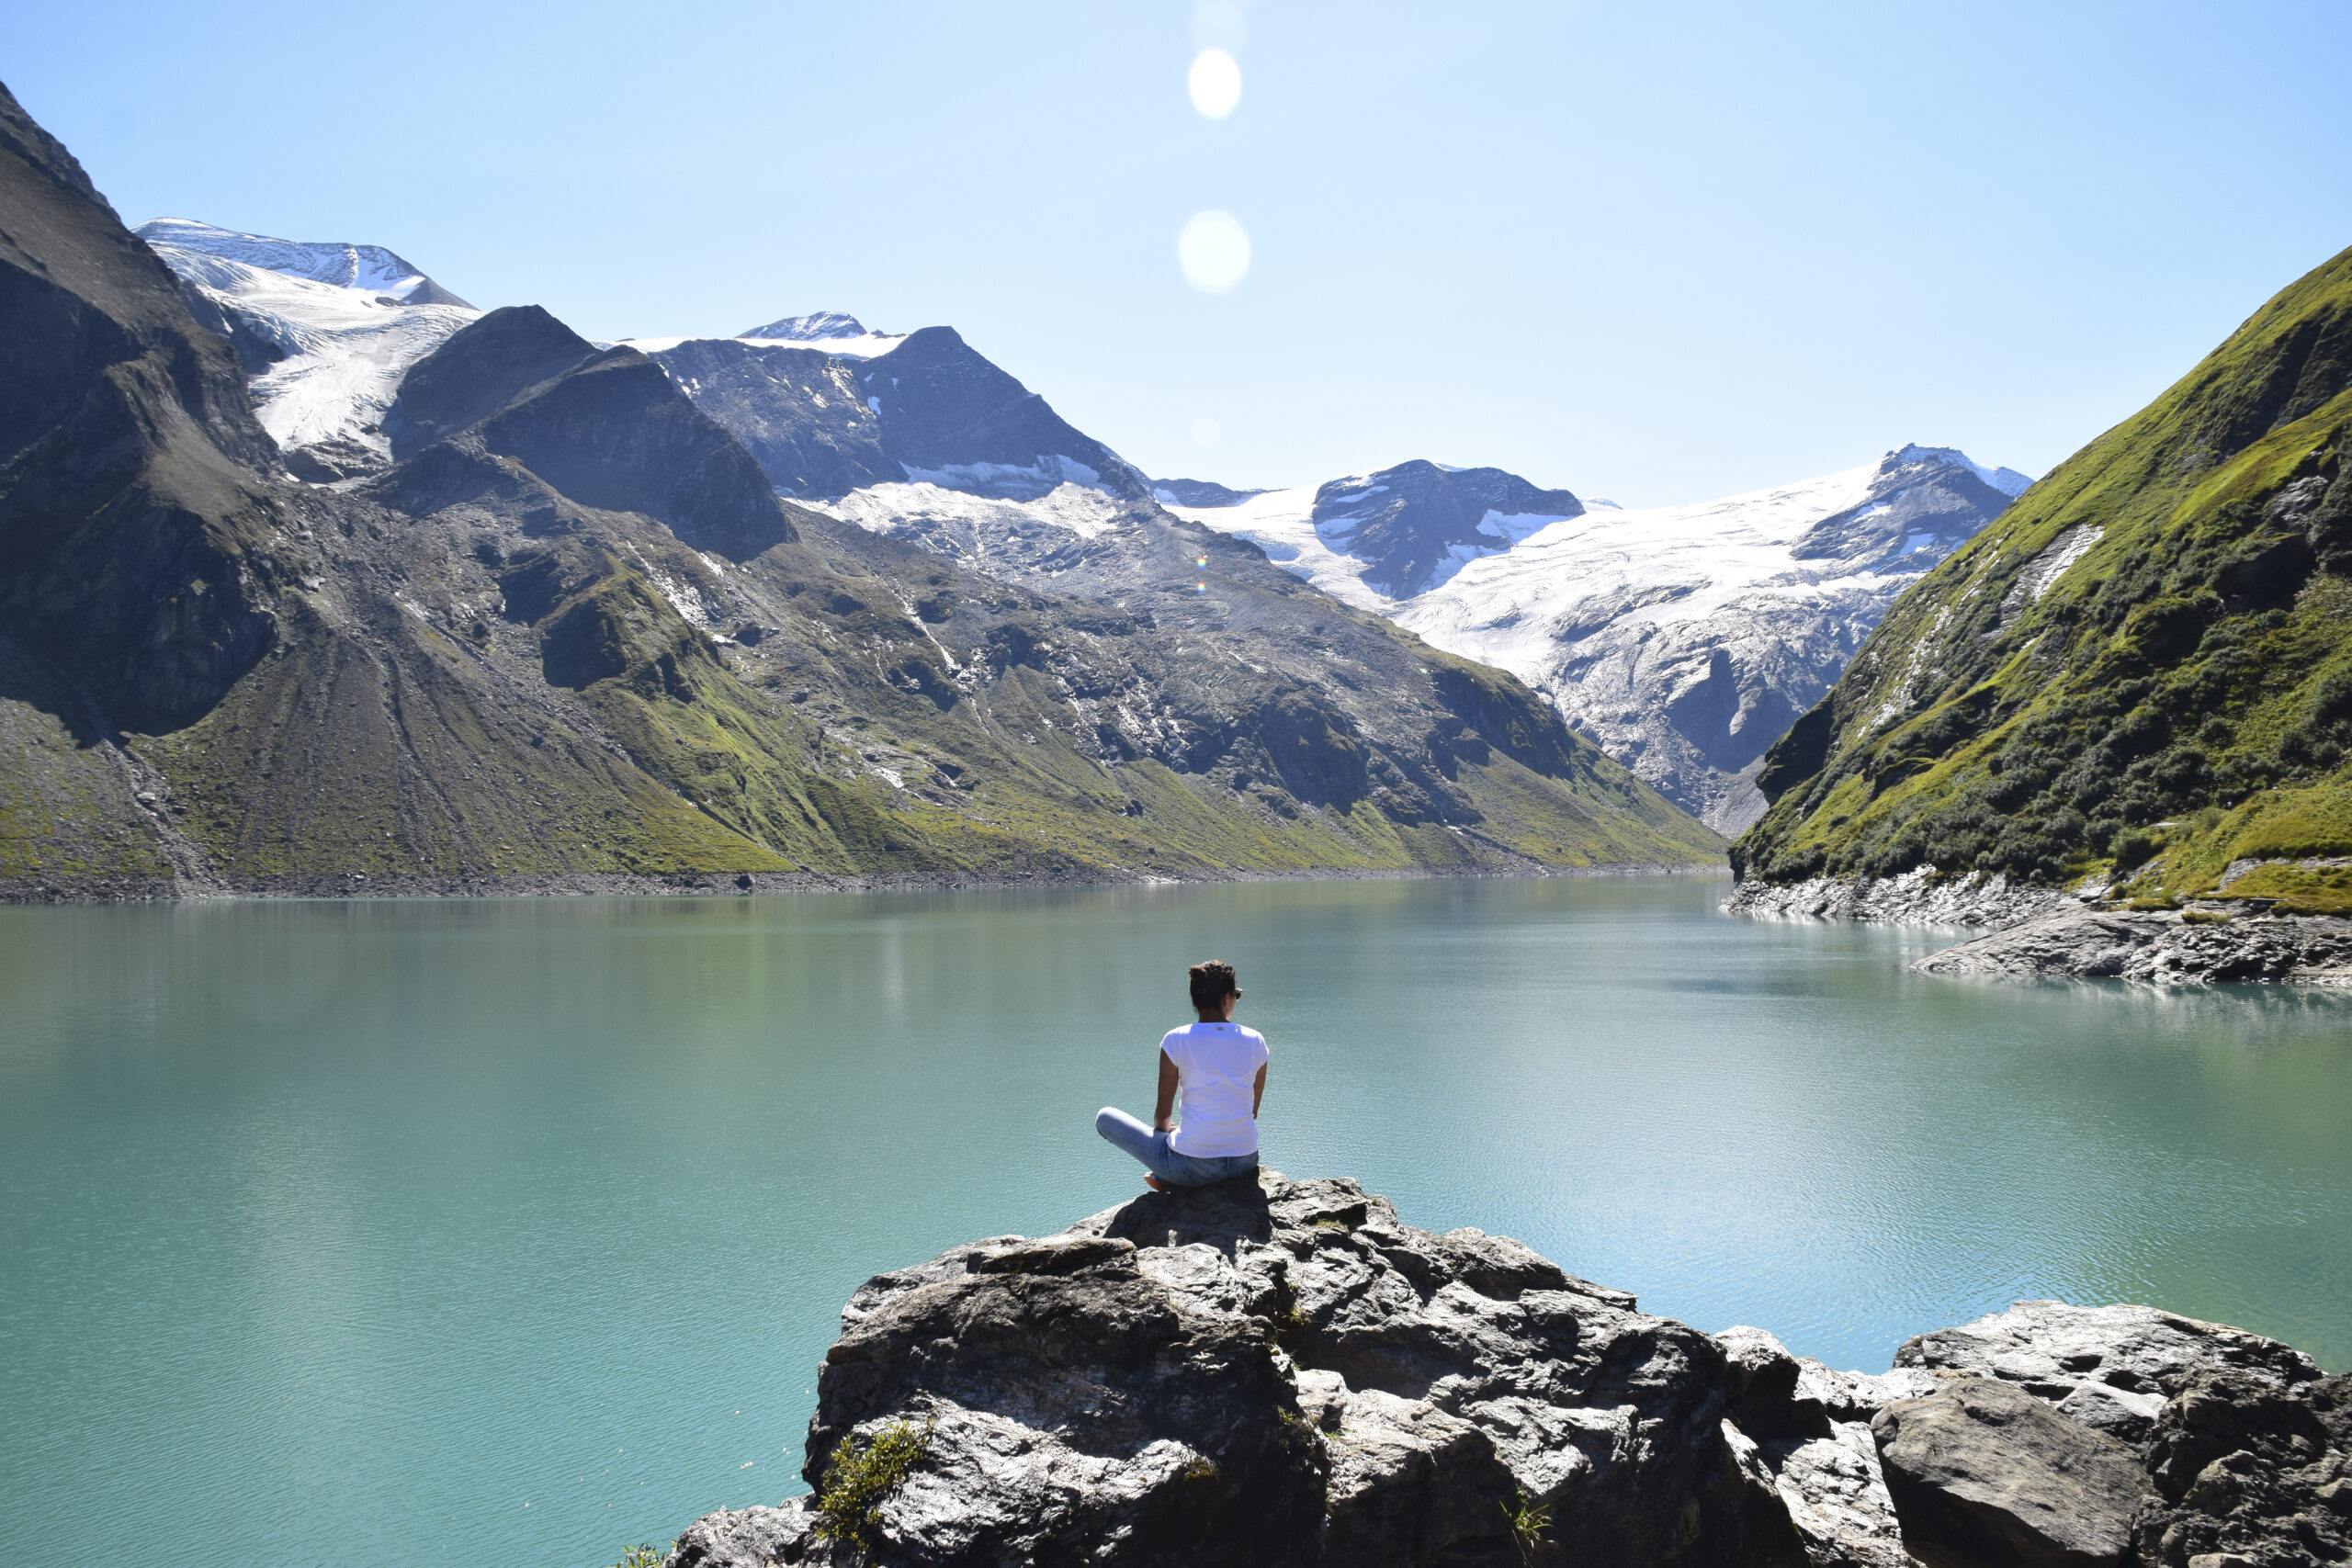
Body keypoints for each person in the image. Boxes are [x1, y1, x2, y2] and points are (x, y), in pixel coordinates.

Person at [1094, 960, 1268, 1190]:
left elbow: (1163, 1117)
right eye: (1236, 995)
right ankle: (1171, 1174)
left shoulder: (1176, 1040)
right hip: (1244, 1161)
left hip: (1192, 1166)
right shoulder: (1256, 1040)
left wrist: (1174, 1134)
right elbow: (1252, 1111)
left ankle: (1170, 1175)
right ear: (1226, 998)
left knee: (1105, 1117)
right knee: (1182, 1142)